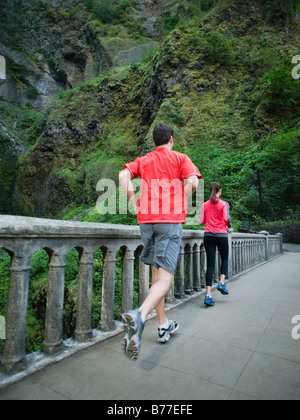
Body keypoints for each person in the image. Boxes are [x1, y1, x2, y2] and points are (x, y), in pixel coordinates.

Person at [119, 122, 201, 360]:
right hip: (169, 221)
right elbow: (193, 182)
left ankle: (163, 324)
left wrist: (133, 199)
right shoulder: (180, 158)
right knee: (165, 278)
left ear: (154, 142)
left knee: (157, 276)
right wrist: (182, 199)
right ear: (171, 139)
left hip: (147, 222)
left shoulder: (144, 160)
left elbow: (123, 174)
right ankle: (140, 316)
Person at [200, 181, 231, 307]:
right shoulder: (224, 204)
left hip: (208, 235)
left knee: (210, 265)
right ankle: (221, 282)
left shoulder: (204, 205)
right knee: (224, 258)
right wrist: (229, 225)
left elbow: (202, 221)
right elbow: (226, 219)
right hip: (221, 235)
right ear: (220, 191)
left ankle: (208, 296)